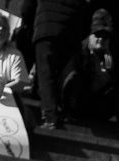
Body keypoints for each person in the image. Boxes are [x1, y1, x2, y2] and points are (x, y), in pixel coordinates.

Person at [60, 10, 119, 135]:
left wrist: (113, 68)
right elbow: (69, 80)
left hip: (99, 107)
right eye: (98, 35)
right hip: (79, 104)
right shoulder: (79, 53)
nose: (101, 39)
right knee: (73, 76)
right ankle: (67, 114)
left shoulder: (113, 58)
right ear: (90, 36)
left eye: (105, 37)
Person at [32, 0, 90, 128]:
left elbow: (27, 7)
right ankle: (65, 111)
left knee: (46, 74)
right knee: (65, 75)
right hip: (71, 34)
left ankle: (50, 116)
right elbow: (87, 14)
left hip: (46, 29)